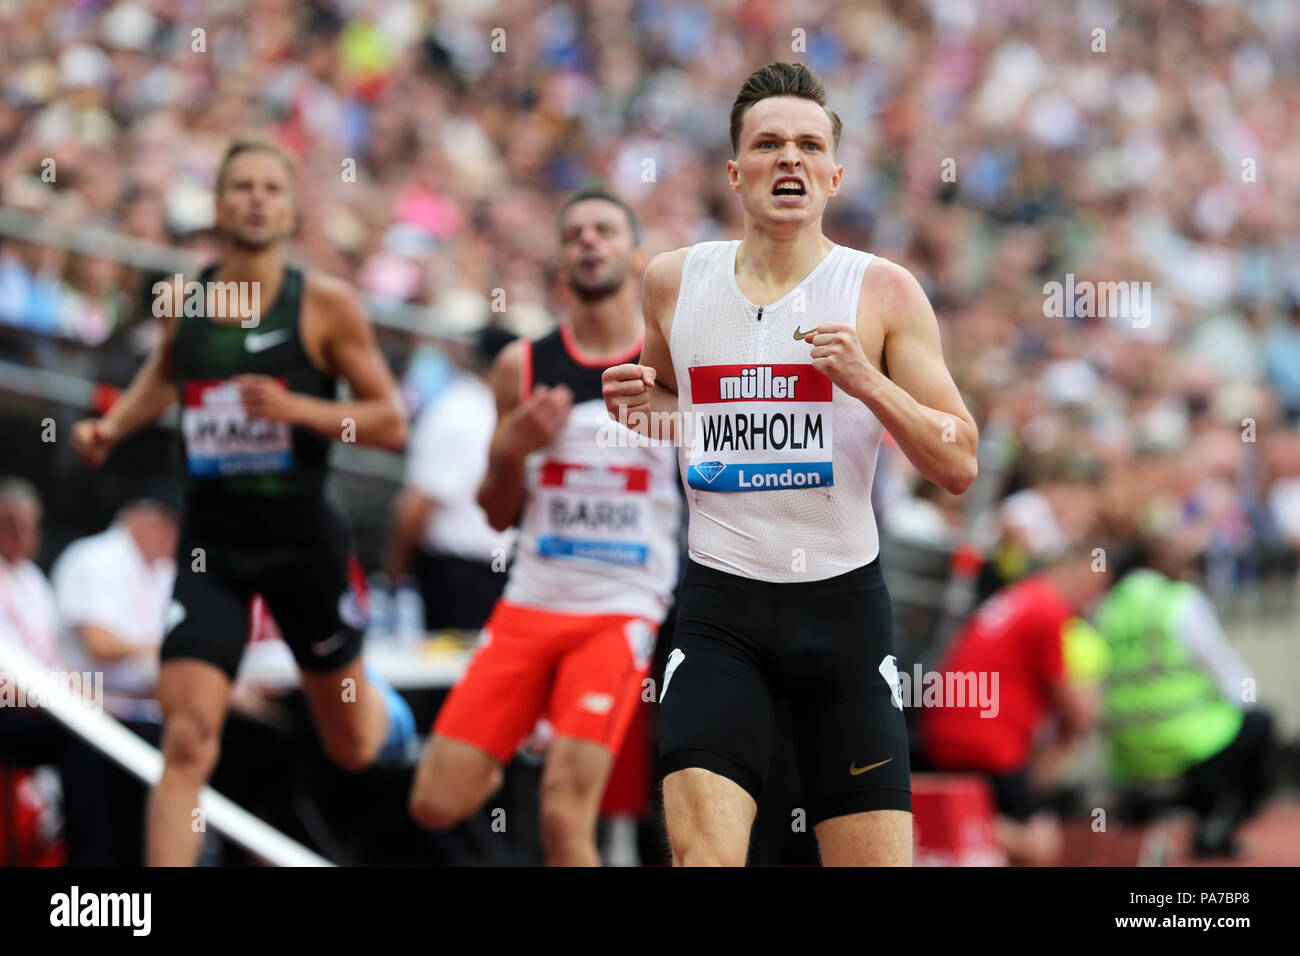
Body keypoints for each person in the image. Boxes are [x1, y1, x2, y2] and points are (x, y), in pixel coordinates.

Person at [603, 62, 979, 866]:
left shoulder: (881, 292)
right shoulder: (672, 282)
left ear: (835, 176)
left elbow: (958, 462)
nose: (790, 160)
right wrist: (635, 402)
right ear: (735, 172)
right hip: (719, 612)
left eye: (809, 146)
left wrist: (867, 382)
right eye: (768, 144)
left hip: (840, 615)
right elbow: (679, 408)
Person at [70, 132, 415, 867]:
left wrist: (301, 413)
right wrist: (112, 426)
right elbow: (167, 375)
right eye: (241, 186)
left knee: (351, 746)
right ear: (219, 204)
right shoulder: (184, 301)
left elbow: (389, 423)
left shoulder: (324, 304)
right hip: (212, 547)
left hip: (302, 545)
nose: (256, 198)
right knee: (189, 737)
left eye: (271, 187)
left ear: (291, 209)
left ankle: (393, 716)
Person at [408, 188, 681, 866]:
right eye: (576, 233)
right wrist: (513, 450)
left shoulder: (671, 360)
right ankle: (502, 749)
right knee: (433, 802)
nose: (590, 240)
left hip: (620, 607)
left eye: (605, 230)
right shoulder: (521, 367)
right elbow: (495, 512)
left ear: (636, 254)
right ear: (561, 262)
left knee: (564, 819)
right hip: (531, 599)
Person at [921, 542, 1109, 866]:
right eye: (1095, 588)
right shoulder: (1048, 611)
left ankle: (950, 826)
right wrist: (1078, 726)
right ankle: (944, 829)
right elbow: (1071, 703)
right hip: (986, 742)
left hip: (948, 731)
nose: (1093, 601)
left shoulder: (1017, 598)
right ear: (1075, 573)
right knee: (1041, 846)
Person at [1097, 533, 1278, 857]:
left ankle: (1150, 811)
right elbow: (1228, 673)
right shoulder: (1179, 600)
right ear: (1155, 561)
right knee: (1259, 723)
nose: (1188, 565)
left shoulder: (1106, 606)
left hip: (1126, 749)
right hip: (1190, 741)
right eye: (1178, 557)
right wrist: (1248, 703)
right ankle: (1216, 820)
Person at [386, 324, 517, 630]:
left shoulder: (485, 408)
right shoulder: (458, 412)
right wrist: (396, 571)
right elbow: (417, 504)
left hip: (485, 575)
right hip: (457, 575)